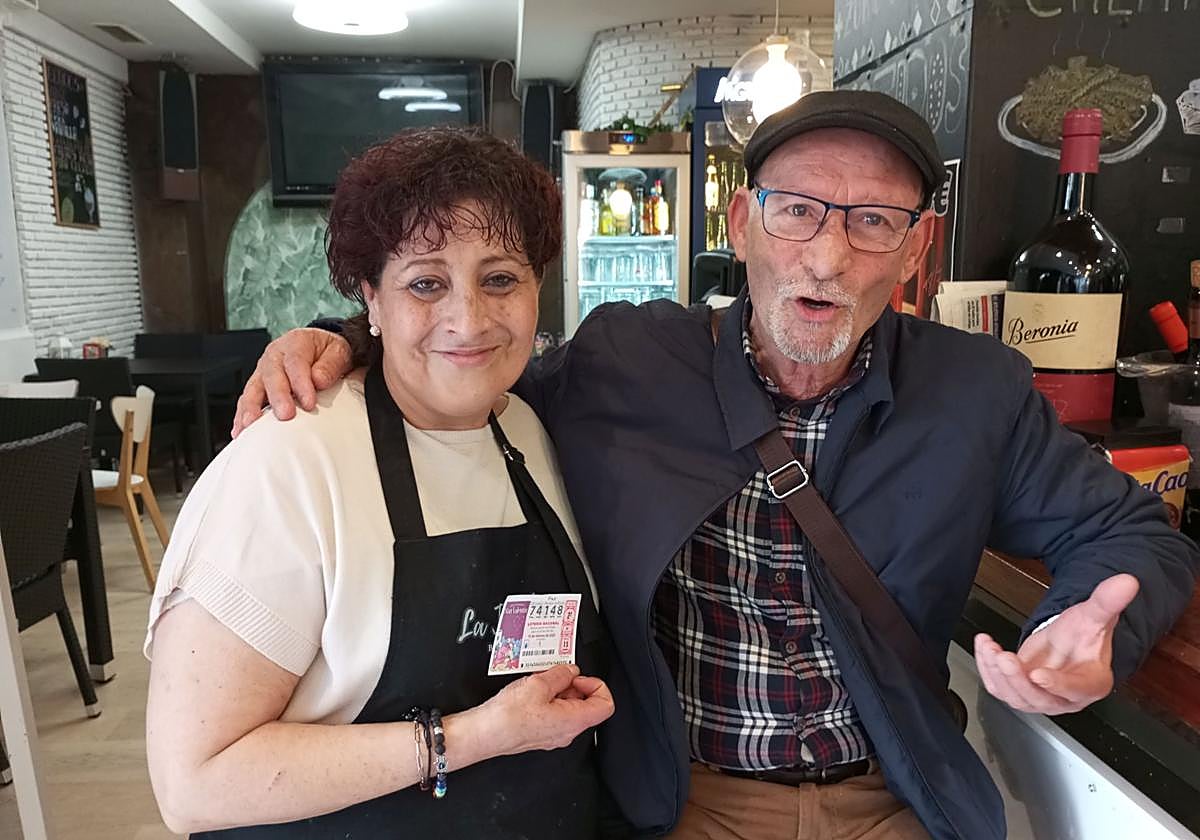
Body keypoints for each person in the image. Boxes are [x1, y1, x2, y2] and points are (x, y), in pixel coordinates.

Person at [232, 92, 1199, 840]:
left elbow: (1129, 535)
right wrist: (338, 340)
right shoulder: (625, 361)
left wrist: (1090, 627)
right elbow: (472, 356)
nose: (825, 257)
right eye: (797, 213)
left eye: (872, 222)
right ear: (740, 225)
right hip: (689, 803)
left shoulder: (976, 392)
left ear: (917, 250)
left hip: (893, 798)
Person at [144, 127, 614, 838]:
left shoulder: (530, 427)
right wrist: (474, 736)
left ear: (537, 289)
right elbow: (194, 782)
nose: (469, 319)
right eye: (426, 282)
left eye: (500, 278)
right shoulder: (288, 462)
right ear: (371, 296)